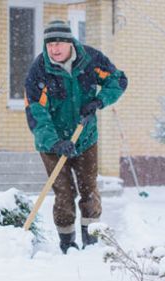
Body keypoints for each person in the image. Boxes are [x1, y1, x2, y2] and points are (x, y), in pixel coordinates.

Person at [24, 20, 128, 254]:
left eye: (59, 43)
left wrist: (98, 101)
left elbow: (118, 80)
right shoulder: (38, 71)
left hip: (85, 139)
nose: (54, 49)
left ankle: (91, 242)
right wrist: (56, 142)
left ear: (70, 42)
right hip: (52, 144)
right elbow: (36, 113)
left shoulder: (90, 60)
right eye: (50, 44)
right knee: (64, 193)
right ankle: (67, 244)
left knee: (89, 190)